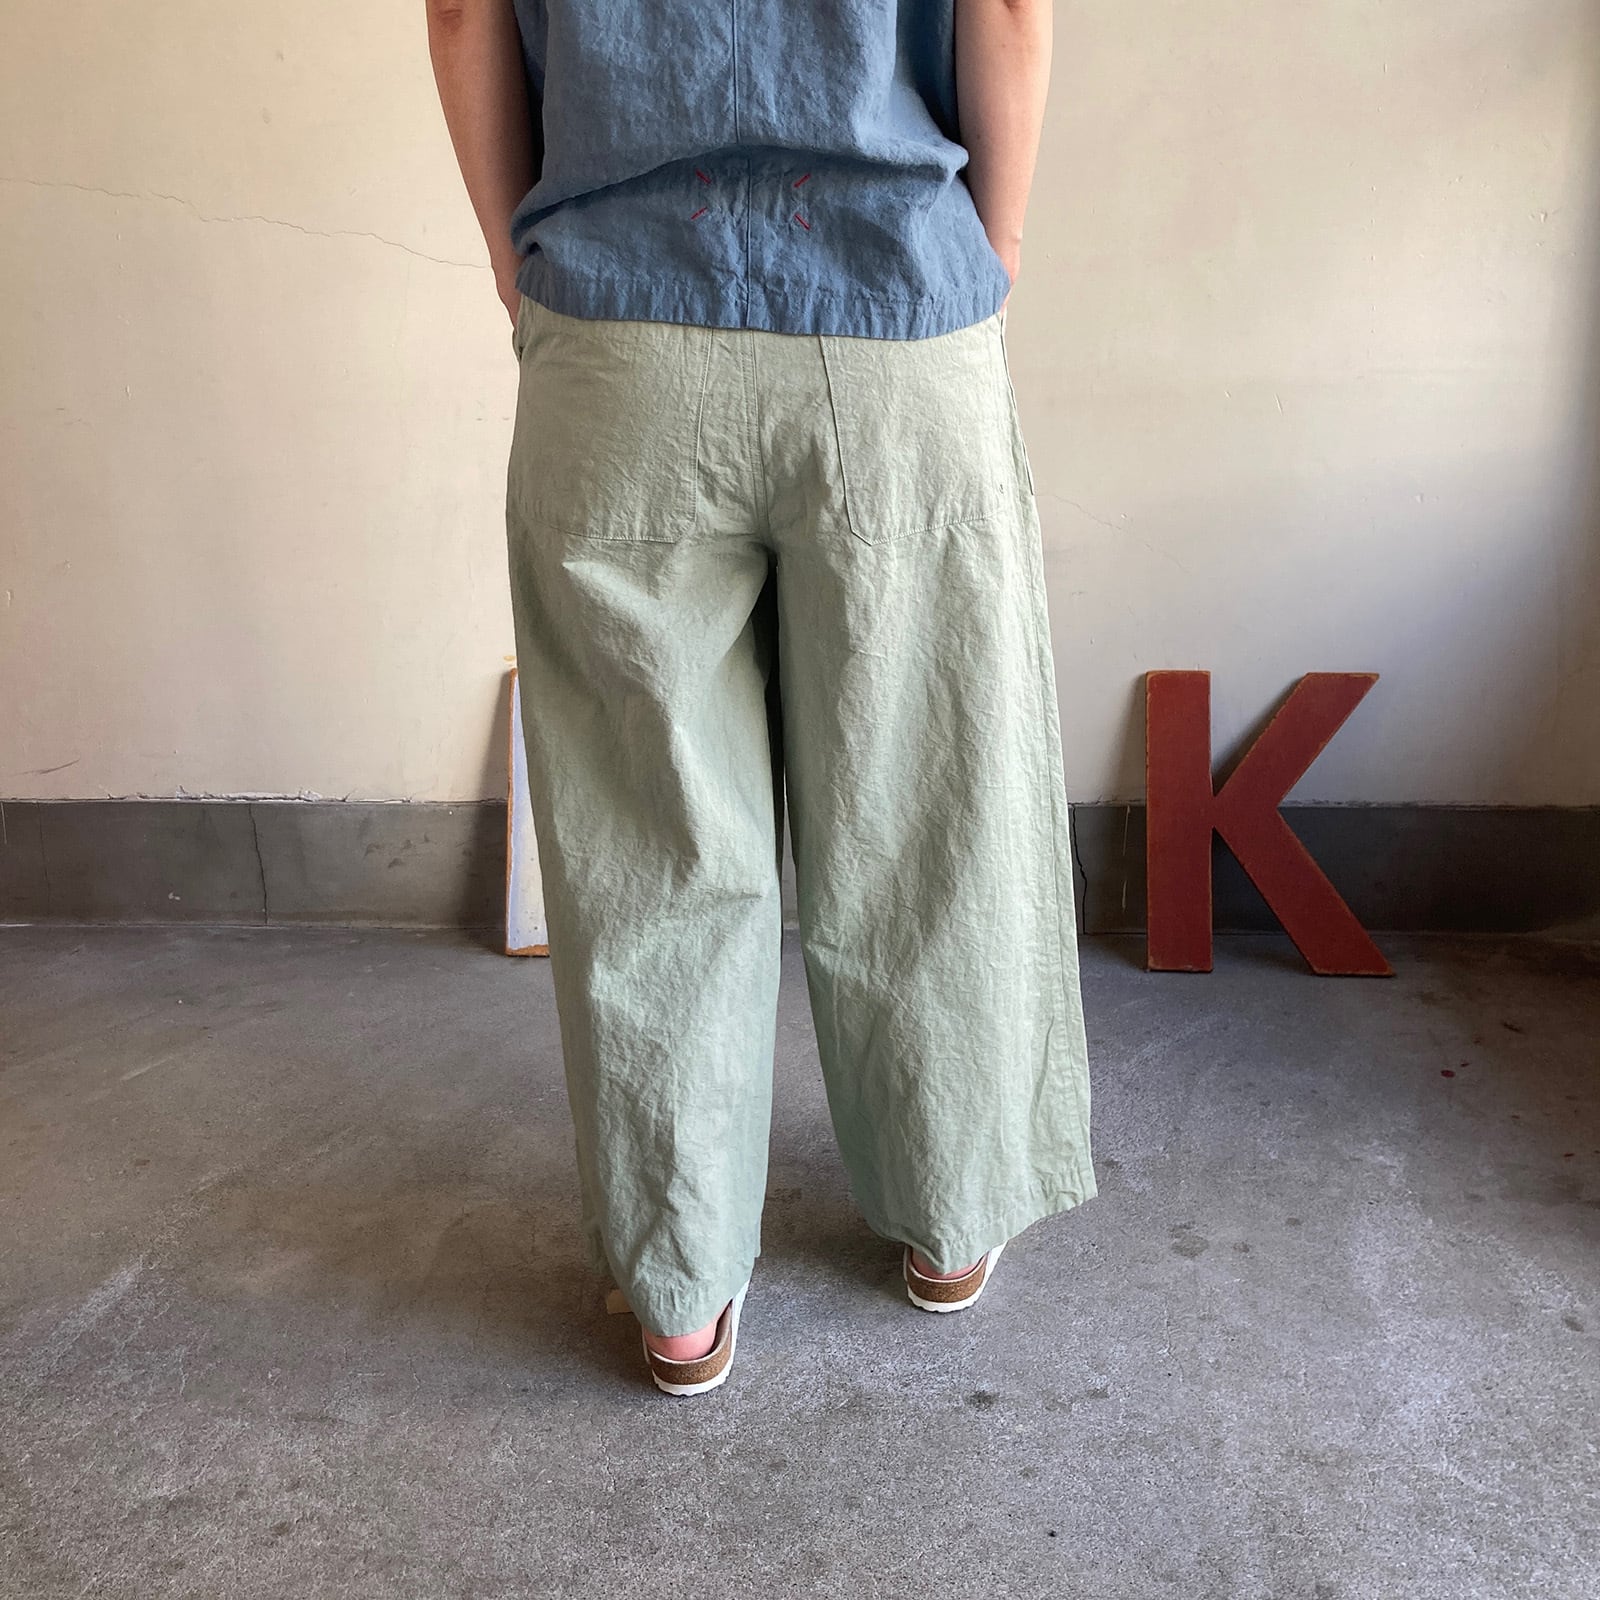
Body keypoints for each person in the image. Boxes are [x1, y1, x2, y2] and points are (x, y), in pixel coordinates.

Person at [426, 0, 1096, 1397]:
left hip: (617, 325)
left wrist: (514, 264)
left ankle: (677, 1289)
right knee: (924, 800)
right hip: (896, 311)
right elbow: (1007, 9)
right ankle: (951, 1212)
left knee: (648, 830)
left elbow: (461, 12)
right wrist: (998, 250)